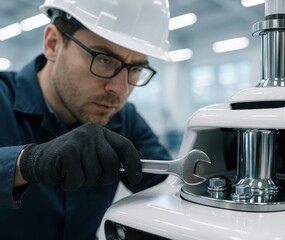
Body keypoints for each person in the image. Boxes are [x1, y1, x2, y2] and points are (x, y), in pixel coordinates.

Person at [0, 0, 173, 239]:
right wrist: (27, 162)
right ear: (53, 44)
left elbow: (168, 186)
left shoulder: (126, 120)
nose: (120, 89)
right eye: (104, 59)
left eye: (135, 69)